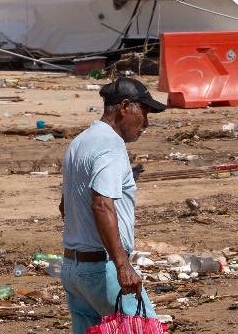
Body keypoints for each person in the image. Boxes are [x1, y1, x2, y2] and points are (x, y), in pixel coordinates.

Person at [59, 77, 166, 333]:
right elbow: (101, 204)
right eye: (144, 113)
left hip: (73, 268)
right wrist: (121, 265)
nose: (146, 124)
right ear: (125, 106)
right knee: (143, 328)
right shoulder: (111, 146)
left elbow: (66, 206)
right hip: (101, 269)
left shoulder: (81, 141)